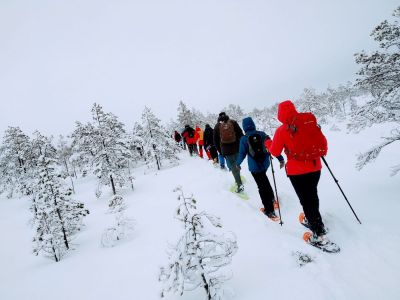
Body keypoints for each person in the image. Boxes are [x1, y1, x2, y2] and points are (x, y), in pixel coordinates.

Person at [265, 100, 328, 243]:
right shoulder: (308, 122)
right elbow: (322, 143)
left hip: (297, 172)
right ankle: (313, 219)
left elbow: (275, 151)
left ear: (280, 115)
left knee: (306, 200)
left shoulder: (282, 130)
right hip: (315, 167)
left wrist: (267, 143)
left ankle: (319, 233)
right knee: (312, 195)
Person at [237, 117, 285, 221]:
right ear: (253, 124)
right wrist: (280, 159)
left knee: (261, 186)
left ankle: (269, 210)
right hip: (265, 164)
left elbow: (242, 154)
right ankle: (272, 199)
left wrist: (237, 164)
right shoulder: (262, 134)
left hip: (254, 167)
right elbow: (273, 147)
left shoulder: (244, 139)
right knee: (264, 180)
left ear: (244, 127)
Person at [214, 112, 244, 192]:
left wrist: (220, 151)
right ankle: (238, 175)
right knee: (236, 164)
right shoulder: (233, 122)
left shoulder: (217, 126)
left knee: (232, 167)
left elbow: (215, 141)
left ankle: (239, 184)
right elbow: (240, 134)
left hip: (226, 150)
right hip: (236, 147)